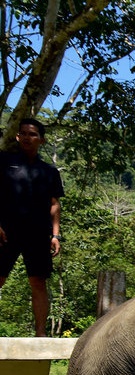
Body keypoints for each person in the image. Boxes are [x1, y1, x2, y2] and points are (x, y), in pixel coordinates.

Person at [0, 118, 65, 337]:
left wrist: (56, 235)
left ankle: (40, 333)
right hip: (6, 232)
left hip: (38, 234)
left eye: (33, 134)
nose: (27, 138)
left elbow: (54, 205)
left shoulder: (49, 172)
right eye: (24, 134)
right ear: (17, 137)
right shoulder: (3, 162)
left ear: (42, 140)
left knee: (38, 281)